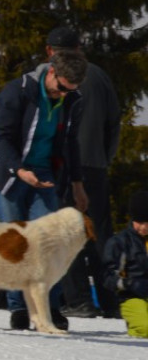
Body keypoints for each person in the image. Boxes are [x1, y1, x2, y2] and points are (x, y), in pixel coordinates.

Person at [0, 49, 89, 331]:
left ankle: (49, 307)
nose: (64, 94)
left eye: (71, 90)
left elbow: (71, 143)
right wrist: (19, 170)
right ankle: (19, 308)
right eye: (62, 87)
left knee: (48, 240)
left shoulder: (71, 101)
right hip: (9, 170)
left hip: (44, 173)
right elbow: (0, 138)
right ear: (51, 72)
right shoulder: (17, 92)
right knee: (16, 241)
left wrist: (77, 183)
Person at [44, 28, 122, 319]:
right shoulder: (99, 76)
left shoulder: (51, 76)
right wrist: (104, 157)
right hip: (95, 165)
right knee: (100, 232)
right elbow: (114, 123)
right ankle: (110, 299)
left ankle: (78, 299)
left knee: (66, 231)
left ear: (51, 51)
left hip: (64, 166)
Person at [102, 191, 148, 338]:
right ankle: (136, 327)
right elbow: (109, 276)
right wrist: (129, 284)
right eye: (140, 222)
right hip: (131, 297)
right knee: (145, 327)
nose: (145, 227)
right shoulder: (120, 242)